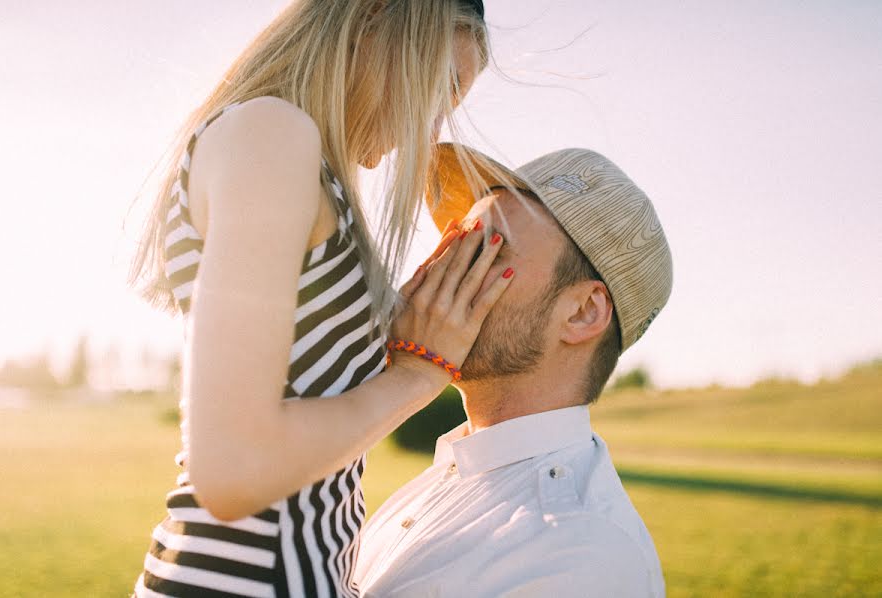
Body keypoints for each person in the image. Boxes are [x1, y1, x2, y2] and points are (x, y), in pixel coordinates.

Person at [129, 2, 519, 596]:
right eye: (441, 88)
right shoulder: (273, 133)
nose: (434, 126)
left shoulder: (300, 162)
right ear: (373, 20)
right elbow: (233, 468)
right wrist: (417, 373)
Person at [353, 143, 673, 597]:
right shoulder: (454, 472)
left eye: (486, 254)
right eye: (454, 246)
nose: (438, 271)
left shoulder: (580, 555)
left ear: (582, 312)